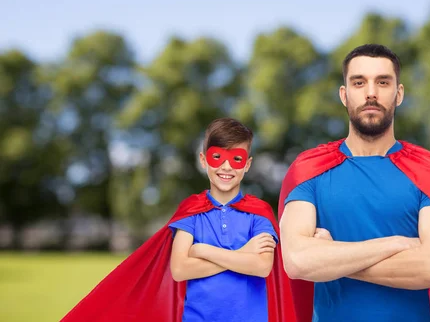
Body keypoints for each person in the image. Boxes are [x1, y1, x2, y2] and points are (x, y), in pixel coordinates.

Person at [277, 44, 430, 322]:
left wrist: (332, 259)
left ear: (399, 93)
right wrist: (394, 244)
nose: (371, 92)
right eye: (359, 82)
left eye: (383, 82)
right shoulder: (307, 170)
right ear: (344, 95)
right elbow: (297, 261)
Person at [61, 118, 296, 322]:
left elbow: (262, 266)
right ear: (204, 160)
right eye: (217, 157)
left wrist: (204, 250)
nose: (226, 166)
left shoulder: (259, 212)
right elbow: (180, 268)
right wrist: (242, 254)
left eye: (236, 158)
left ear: (247, 164)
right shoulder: (192, 211)